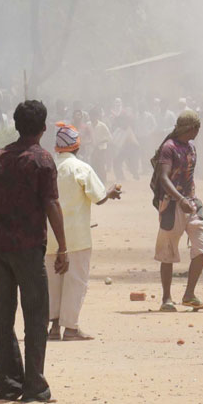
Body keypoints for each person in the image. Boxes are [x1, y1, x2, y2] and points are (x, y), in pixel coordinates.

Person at [0, 100, 69, 403]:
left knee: (3, 317)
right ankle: (34, 385)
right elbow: (51, 204)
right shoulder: (42, 161)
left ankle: (7, 383)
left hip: (1, 250)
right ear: (43, 128)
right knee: (35, 316)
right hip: (30, 250)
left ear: (16, 125)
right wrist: (64, 248)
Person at [48, 122, 122, 341]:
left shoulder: (49, 168)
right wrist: (111, 193)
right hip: (77, 238)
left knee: (53, 283)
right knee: (75, 281)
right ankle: (70, 328)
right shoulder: (81, 168)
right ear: (77, 147)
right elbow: (99, 198)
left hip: (51, 237)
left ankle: (53, 328)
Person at [150, 109, 203, 312]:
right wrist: (180, 199)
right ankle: (166, 299)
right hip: (171, 205)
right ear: (192, 128)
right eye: (198, 128)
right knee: (167, 252)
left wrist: (190, 200)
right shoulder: (169, 148)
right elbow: (163, 177)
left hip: (192, 203)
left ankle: (189, 294)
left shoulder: (191, 146)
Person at [89, 105, 113, 180]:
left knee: (101, 165)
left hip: (101, 149)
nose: (92, 117)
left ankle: (103, 180)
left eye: (94, 116)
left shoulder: (102, 125)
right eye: (91, 116)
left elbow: (109, 138)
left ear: (97, 116)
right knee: (93, 165)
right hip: (91, 149)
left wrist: (100, 142)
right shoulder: (88, 125)